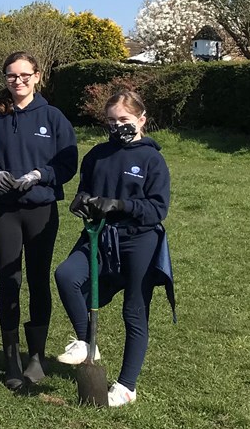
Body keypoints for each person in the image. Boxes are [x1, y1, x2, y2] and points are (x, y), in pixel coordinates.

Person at [55, 90, 171, 407]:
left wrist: (120, 204)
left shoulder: (152, 160)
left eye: (124, 120)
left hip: (139, 240)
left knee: (134, 311)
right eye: (111, 120)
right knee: (66, 275)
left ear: (141, 119)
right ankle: (85, 341)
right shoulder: (97, 155)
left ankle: (126, 386)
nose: (117, 125)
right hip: (99, 235)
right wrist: (84, 204)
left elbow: (158, 208)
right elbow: (84, 192)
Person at [0, 52, 77, 390]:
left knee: (38, 279)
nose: (18, 82)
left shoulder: (54, 117)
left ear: (37, 75)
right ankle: (11, 358)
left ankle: (35, 356)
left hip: (41, 210)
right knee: (9, 280)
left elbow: (68, 164)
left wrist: (40, 175)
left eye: (24, 75)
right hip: (5, 211)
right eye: (11, 76)